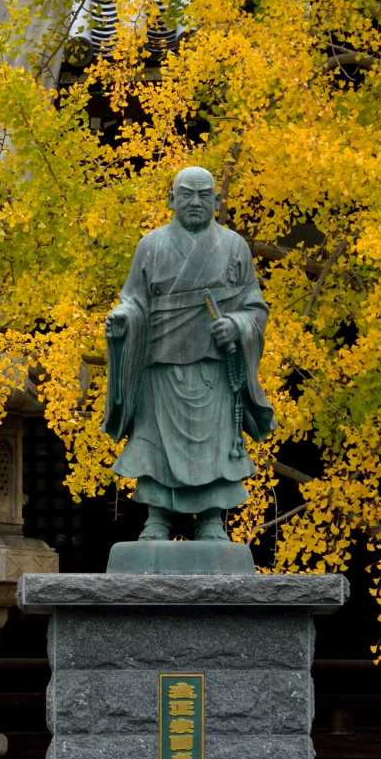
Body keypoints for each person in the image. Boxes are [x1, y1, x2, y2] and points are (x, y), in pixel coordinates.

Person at [103, 165, 274, 542]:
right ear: (171, 200)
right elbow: (133, 300)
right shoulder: (151, 245)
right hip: (160, 362)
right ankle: (157, 518)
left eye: (203, 195)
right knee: (155, 440)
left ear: (215, 200)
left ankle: (212, 518)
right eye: (186, 194)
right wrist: (122, 319)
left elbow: (254, 305)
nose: (195, 202)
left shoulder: (234, 246)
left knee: (214, 441)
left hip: (213, 364)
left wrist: (238, 325)